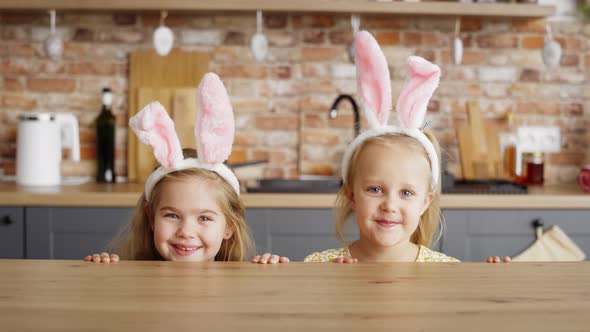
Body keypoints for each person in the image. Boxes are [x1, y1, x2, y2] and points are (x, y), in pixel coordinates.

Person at [84, 72, 288, 264]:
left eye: (204, 218)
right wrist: (99, 270)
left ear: (229, 226)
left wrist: (271, 271)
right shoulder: (133, 276)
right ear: (151, 217)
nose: (186, 232)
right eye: (172, 215)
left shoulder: (238, 282)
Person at [305, 30, 454, 263]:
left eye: (406, 193)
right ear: (351, 195)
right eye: (375, 189)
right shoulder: (320, 266)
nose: (390, 206)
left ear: (425, 203)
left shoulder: (447, 271)